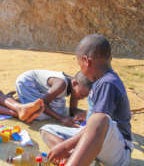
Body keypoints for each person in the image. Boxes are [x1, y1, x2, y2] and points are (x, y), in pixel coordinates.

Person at [41, 34, 133, 166]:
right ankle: (77, 158)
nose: (81, 69)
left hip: (119, 150)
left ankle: (75, 160)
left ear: (86, 61)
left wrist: (66, 146)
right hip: (100, 143)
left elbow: (99, 124)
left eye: (79, 64)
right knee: (47, 130)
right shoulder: (100, 82)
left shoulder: (108, 83)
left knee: (98, 119)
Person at [16, 70, 92, 127]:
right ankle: (16, 104)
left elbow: (73, 109)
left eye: (85, 96)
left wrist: (76, 114)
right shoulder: (61, 85)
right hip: (27, 83)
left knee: (60, 109)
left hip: (42, 91)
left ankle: (25, 100)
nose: (82, 98)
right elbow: (43, 103)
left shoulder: (75, 87)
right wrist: (61, 119)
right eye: (82, 95)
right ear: (75, 83)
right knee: (39, 114)